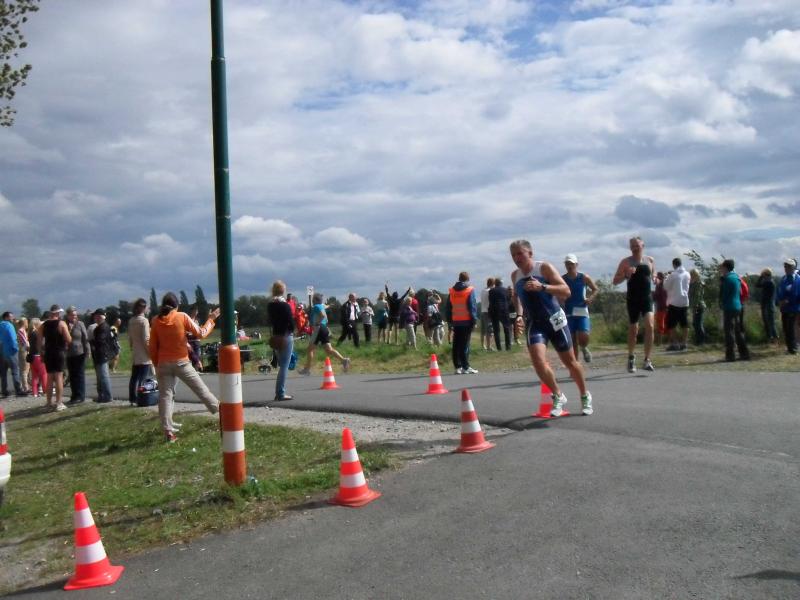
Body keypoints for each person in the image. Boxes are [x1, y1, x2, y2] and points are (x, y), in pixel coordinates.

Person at [510, 240, 593, 416]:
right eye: (513, 255)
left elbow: (566, 291)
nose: (517, 258)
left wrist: (543, 287)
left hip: (555, 319)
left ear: (530, 253)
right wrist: (519, 315)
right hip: (535, 323)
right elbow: (516, 297)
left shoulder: (543, 268)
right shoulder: (515, 275)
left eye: (520, 253)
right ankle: (558, 395)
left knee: (570, 362)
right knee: (538, 362)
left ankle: (585, 395)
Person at [149, 292, 221, 442]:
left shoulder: (155, 320)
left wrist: (156, 364)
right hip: (181, 362)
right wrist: (211, 319)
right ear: (177, 305)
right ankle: (222, 412)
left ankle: (168, 431)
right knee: (200, 389)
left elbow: (153, 346)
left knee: (165, 396)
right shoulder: (182, 316)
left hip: (163, 363)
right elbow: (201, 333)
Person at [613, 236, 656, 373]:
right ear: (630, 248)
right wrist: (626, 275)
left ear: (643, 245)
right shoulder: (625, 262)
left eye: (637, 245)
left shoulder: (650, 260)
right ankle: (631, 357)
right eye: (632, 246)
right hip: (633, 299)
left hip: (647, 298)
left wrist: (656, 279)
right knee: (634, 329)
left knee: (650, 326)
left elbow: (653, 275)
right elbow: (615, 281)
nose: (635, 248)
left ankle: (647, 360)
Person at [299, 293, 351, 375]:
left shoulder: (316, 306)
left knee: (310, 349)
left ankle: (307, 369)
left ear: (315, 300)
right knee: (329, 349)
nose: (312, 301)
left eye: (313, 300)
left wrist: (317, 323)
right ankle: (344, 360)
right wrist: (330, 305)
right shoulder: (321, 306)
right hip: (324, 328)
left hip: (319, 328)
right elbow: (326, 306)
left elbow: (322, 315)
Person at [562, 254, 599, 362]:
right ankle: (575, 364)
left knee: (583, 336)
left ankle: (584, 347)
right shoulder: (562, 279)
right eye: (567, 264)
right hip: (568, 311)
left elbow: (595, 289)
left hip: (582, 310)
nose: (569, 266)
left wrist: (590, 298)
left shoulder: (583, 277)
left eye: (571, 264)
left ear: (576, 265)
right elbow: (557, 292)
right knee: (572, 339)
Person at [38, 305, 71, 411]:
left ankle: (48, 403)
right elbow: (68, 339)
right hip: (59, 352)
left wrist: (41, 353)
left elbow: (39, 341)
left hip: (48, 353)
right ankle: (59, 402)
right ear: (58, 313)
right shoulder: (61, 324)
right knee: (59, 377)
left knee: (49, 378)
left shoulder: (43, 325)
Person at [267, 280, 294, 402]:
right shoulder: (285, 305)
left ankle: (279, 391)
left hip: (275, 336)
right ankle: (280, 392)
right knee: (284, 366)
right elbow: (290, 321)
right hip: (286, 335)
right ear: (283, 291)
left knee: (281, 364)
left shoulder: (270, 305)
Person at [447, 271, 478, 374]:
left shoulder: (452, 291)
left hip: (456, 321)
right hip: (466, 321)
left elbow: (448, 307)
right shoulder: (469, 290)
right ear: (467, 279)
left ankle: (457, 367)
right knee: (465, 344)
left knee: (456, 344)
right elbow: (472, 306)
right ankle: (466, 366)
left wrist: (449, 321)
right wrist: (474, 320)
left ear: (459, 278)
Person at [719, 259, 750, 361]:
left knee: (729, 331)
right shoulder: (737, 278)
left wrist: (722, 303)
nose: (721, 269)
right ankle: (744, 353)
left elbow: (724, 295)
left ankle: (730, 355)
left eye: (722, 267)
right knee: (738, 331)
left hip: (729, 306)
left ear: (726, 268)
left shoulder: (727, 279)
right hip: (738, 306)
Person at [128, 298, 152, 406]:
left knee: (134, 377)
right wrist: (150, 352)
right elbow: (146, 338)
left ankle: (132, 398)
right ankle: (141, 398)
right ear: (143, 308)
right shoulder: (144, 321)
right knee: (143, 378)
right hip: (144, 354)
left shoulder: (131, 321)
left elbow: (130, 338)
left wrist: (132, 347)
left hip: (135, 352)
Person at [664, 257, 691, 351]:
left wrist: (666, 277)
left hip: (674, 302)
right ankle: (684, 343)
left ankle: (675, 343)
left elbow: (666, 286)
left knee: (671, 324)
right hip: (684, 301)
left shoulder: (673, 275)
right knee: (684, 324)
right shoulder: (687, 274)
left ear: (674, 264)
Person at [90, 308, 115, 403]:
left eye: (97, 316)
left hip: (102, 353)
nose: (95, 318)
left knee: (103, 376)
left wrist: (91, 342)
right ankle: (102, 395)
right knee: (100, 376)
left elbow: (101, 340)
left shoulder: (103, 327)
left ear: (101, 317)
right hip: (100, 353)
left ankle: (107, 396)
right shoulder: (100, 327)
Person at [65, 306, 89, 404]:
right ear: (68, 316)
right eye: (72, 315)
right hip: (69, 353)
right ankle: (74, 395)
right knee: (72, 375)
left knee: (79, 374)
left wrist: (88, 351)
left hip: (79, 352)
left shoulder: (80, 324)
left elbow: (85, 338)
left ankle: (80, 395)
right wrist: (69, 330)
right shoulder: (65, 325)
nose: (74, 316)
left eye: (75, 315)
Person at [776, 258, 799, 354]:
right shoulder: (784, 278)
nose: (786, 268)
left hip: (793, 307)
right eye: (785, 266)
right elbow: (779, 291)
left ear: (793, 267)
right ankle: (789, 347)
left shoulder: (797, 279)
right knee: (785, 328)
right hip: (784, 308)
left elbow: (796, 293)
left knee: (791, 328)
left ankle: (793, 348)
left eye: (788, 266)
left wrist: (787, 301)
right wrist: (778, 301)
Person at [0, 311, 24, 397]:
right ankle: (18, 390)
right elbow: (13, 338)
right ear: (6, 317)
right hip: (11, 351)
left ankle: (4, 391)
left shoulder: (0, 325)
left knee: (3, 373)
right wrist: (16, 348)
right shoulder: (9, 325)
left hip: (2, 352)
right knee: (15, 371)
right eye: (11, 317)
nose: (13, 318)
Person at [487, 278, 511, 351]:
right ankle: (508, 347)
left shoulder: (491, 291)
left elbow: (490, 301)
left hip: (494, 311)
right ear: (501, 283)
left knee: (496, 330)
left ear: (495, 283)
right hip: (504, 310)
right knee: (506, 328)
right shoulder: (506, 290)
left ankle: (499, 348)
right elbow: (508, 299)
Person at [755, 268, 778, 343]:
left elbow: (757, 285)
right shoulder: (770, 281)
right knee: (770, 322)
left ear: (766, 275)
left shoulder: (769, 282)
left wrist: (760, 277)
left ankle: (774, 338)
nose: (763, 277)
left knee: (770, 323)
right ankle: (772, 338)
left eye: (764, 275)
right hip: (769, 305)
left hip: (768, 305)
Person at [27, 318, 46, 398]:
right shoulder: (37, 333)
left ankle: (35, 392)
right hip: (38, 356)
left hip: (32, 356)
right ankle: (45, 391)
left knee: (34, 376)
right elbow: (42, 344)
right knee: (43, 374)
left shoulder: (30, 333)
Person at [688, 269, 706, 345]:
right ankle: (698, 340)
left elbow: (697, 296)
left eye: (691, 275)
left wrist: (695, 306)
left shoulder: (698, 283)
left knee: (698, 323)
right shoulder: (693, 283)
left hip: (698, 305)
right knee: (695, 323)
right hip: (695, 305)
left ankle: (701, 340)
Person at [479, 278, 494, 351]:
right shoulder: (490, 291)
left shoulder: (483, 290)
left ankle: (483, 345)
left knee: (483, 331)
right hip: (488, 312)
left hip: (482, 311)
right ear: (492, 284)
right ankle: (489, 347)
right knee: (489, 330)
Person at [653, 272, 667, 346]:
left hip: (660, 307)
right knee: (665, 323)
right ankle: (665, 341)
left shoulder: (659, 286)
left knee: (660, 324)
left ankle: (659, 342)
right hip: (667, 306)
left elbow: (656, 296)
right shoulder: (667, 285)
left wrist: (651, 296)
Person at [16, 317, 30, 394]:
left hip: (23, 351)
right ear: (24, 323)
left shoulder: (22, 330)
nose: (28, 324)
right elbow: (25, 342)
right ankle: (26, 387)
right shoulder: (21, 331)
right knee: (25, 370)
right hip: (23, 351)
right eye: (27, 322)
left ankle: (25, 386)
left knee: (25, 369)